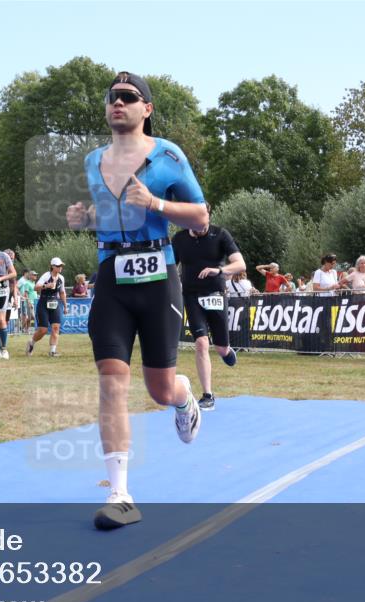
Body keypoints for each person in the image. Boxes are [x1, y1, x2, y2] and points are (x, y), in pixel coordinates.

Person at [66, 71, 208, 530]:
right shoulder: (92, 161)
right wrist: (84, 216)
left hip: (157, 273)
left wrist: (157, 205)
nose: (117, 103)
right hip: (111, 273)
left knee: (159, 389)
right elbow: (109, 213)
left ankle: (184, 397)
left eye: (128, 97)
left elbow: (201, 217)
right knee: (111, 381)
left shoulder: (168, 155)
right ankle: (121, 494)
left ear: (146, 108)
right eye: (112, 98)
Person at [171, 221, 246, 411]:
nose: (201, 229)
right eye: (197, 226)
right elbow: (170, 266)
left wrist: (219, 270)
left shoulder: (220, 234)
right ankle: (208, 395)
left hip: (216, 295)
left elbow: (240, 264)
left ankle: (227, 351)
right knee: (201, 343)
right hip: (191, 296)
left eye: (204, 224)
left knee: (221, 348)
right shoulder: (179, 239)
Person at [26, 257, 69, 357]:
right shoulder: (46, 275)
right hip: (44, 302)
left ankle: (52, 351)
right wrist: (46, 286)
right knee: (43, 330)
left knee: (55, 327)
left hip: (55, 302)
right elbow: (35, 287)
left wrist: (65, 306)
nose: (60, 268)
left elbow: (62, 292)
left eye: (61, 266)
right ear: (53, 266)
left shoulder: (61, 278)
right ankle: (31, 343)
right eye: (58, 266)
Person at [17, 269, 37, 333]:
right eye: (34, 275)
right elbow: (26, 294)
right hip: (30, 302)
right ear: (30, 276)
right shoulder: (27, 283)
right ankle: (25, 328)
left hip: (35, 302)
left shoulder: (34, 283)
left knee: (30, 318)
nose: (35, 276)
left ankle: (25, 329)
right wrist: (29, 302)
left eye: (36, 275)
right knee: (33, 316)